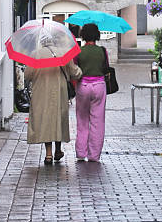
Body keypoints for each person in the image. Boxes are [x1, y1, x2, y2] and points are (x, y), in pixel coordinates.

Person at [25, 49, 82, 165]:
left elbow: (27, 74)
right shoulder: (64, 52)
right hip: (59, 92)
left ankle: (48, 154)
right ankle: (58, 150)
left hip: (41, 92)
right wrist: (81, 72)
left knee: (46, 120)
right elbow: (74, 72)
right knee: (58, 118)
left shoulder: (36, 53)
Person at [75, 23, 108, 162]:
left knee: (82, 120)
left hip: (83, 85)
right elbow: (105, 68)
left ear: (83, 35)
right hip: (99, 85)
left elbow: (75, 70)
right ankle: (94, 155)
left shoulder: (78, 52)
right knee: (98, 121)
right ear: (97, 35)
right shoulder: (102, 50)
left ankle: (81, 153)